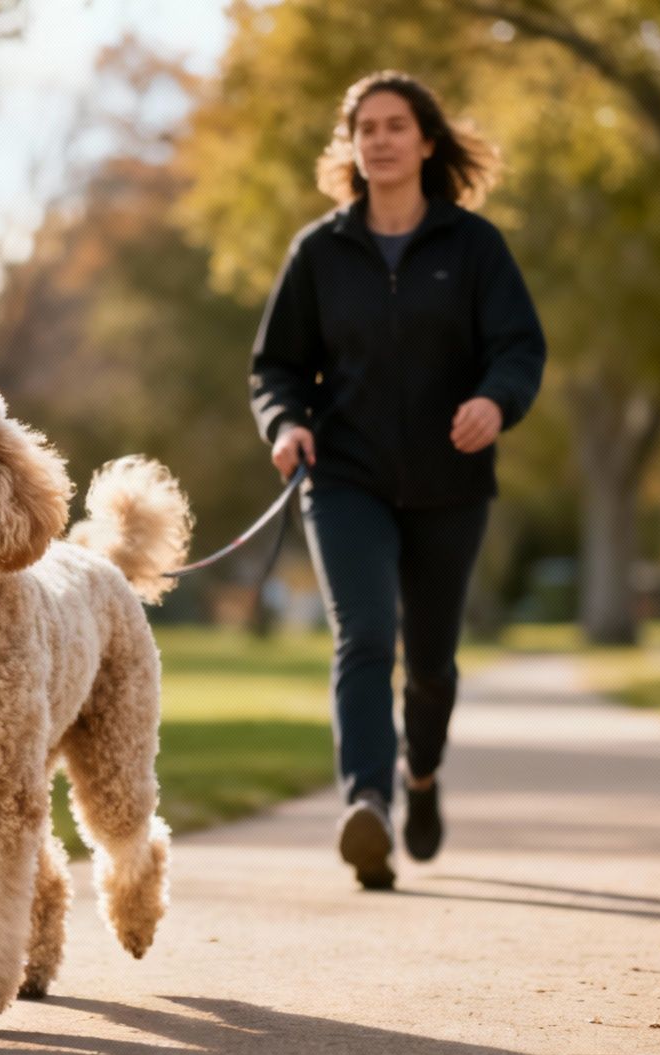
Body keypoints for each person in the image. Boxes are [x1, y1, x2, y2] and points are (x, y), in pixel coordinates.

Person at [249, 70, 545, 890]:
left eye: (394, 125)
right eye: (365, 127)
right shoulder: (319, 251)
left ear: (425, 141)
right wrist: (287, 424)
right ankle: (368, 806)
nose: (378, 138)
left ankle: (420, 777)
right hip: (344, 476)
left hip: (452, 482)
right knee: (366, 635)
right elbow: (276, 366)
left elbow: (520, 346)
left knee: (433, 663)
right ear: (350, 146)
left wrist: (496, 399)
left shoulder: (473, 246)